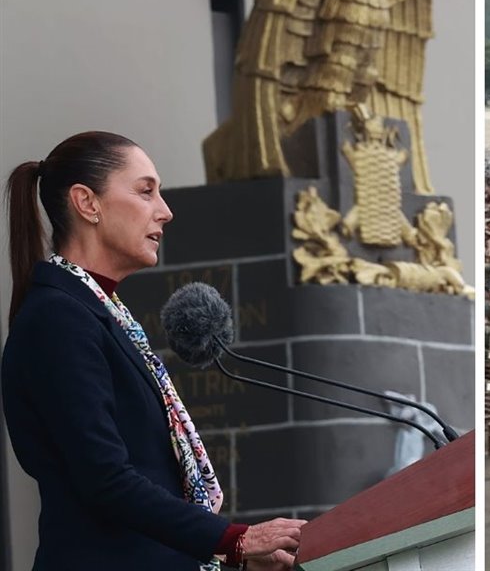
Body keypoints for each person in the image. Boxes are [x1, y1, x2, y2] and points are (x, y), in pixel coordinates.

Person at [1, 132, 304, 570]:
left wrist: (224, 551)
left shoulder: (101, 311)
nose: (165, 211)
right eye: (146, 191)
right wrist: (233, 538)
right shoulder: (58, 318)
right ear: (88, 203)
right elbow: (105, 480)